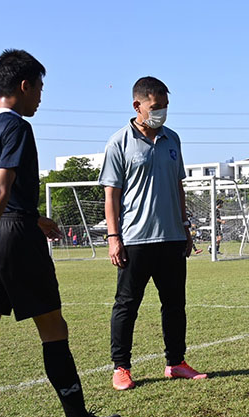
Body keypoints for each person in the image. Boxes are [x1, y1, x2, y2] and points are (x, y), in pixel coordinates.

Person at [0, 49, 120, 417]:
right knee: (53, 329)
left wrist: (32, 217)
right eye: (40, 89)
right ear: (24, 86)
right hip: (9, 237)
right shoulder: (16, 128)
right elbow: (0, 187)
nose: (41, 98)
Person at [99, 76, 206, 390]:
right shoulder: (118, 142)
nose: (161, 113)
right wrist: (113, 237)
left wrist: (186, 228)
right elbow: (111, 195)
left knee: (175, 304)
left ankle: (175, 362)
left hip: (172, 237)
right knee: (126, 305)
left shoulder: (172, 139)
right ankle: (121, 367)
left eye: (165, 107)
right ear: (138, 105)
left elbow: (178, 186)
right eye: (156, 107)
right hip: (134, 240)